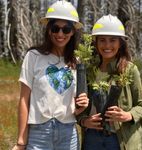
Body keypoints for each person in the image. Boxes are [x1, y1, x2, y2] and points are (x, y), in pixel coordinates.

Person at [12, 1, 89, 150]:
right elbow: (24, 100)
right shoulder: (34, 56)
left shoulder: (78, 61)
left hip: (68, 132)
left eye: (66, 29)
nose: (60, 34)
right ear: (49, 30)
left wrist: (82, 105)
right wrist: (21, 141)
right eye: (55, 28)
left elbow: (78, 105)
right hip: (38, 133)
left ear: (73, 32)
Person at [76, 14, 142, 150]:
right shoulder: (88, 71)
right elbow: (79, 107)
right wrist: (84, 121)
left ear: (120, 43)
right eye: (102, 40)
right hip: (92, 139)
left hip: (120, 138)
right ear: (96, 42)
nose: (107, 45)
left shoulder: (130, 69)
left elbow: (141, 105)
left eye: (113, 40)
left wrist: (128, 115)